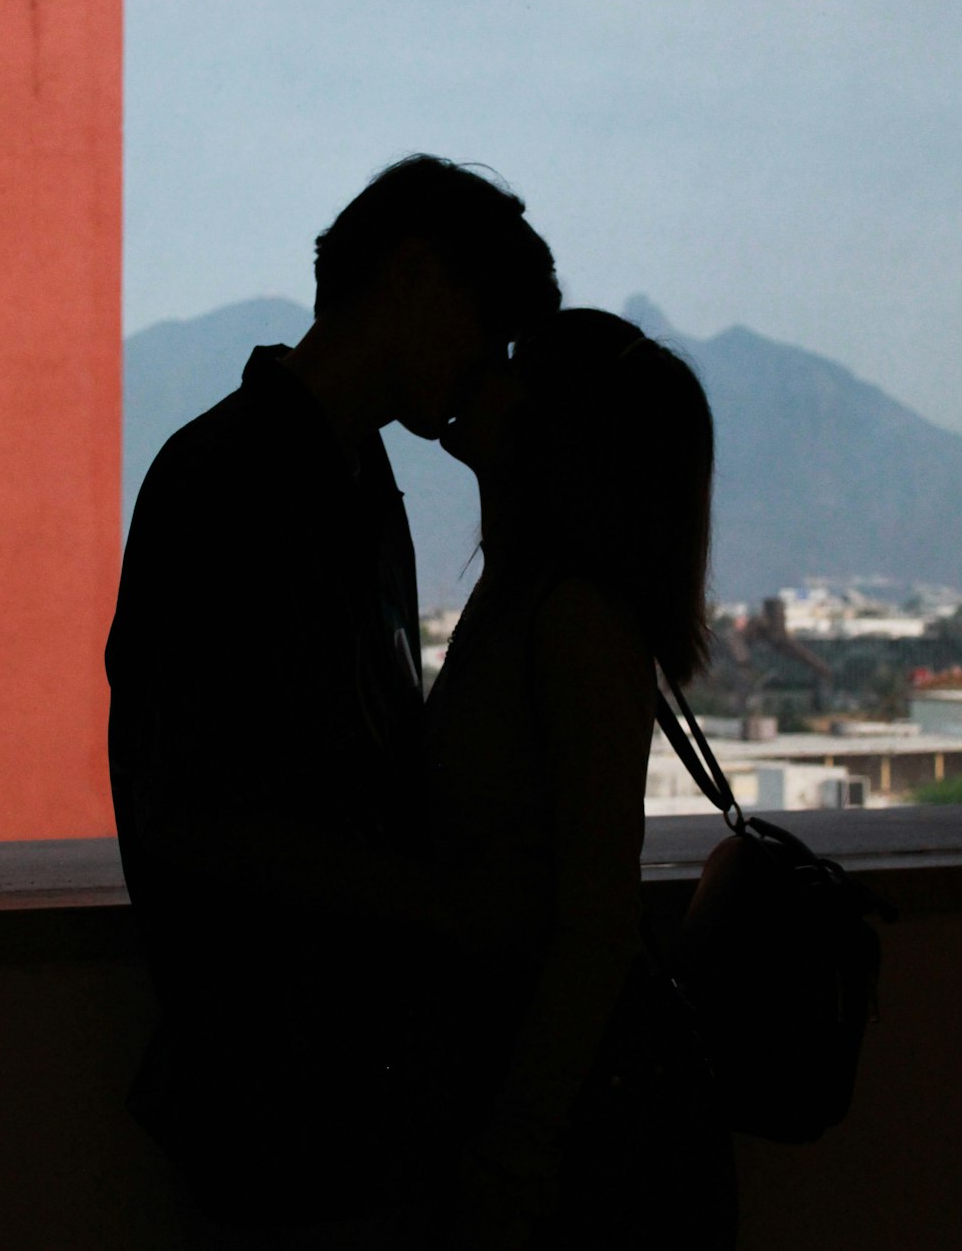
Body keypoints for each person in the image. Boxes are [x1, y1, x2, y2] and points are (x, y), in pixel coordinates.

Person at [105, 155, 560, 1241]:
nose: (486, 365)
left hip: (328, 1079)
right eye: (486, 327)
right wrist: (441, 905)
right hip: (282, 1085)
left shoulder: (345, 479)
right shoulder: (231, 480)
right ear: (408, 278)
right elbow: (193, 810)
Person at [405, 308, 737, 1250]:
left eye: (514, 363)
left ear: (558, 424)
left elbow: (594, 919)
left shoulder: (570, 618)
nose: (481, 365)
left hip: (573, 1126)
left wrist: (516, 1143)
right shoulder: (535, 600)